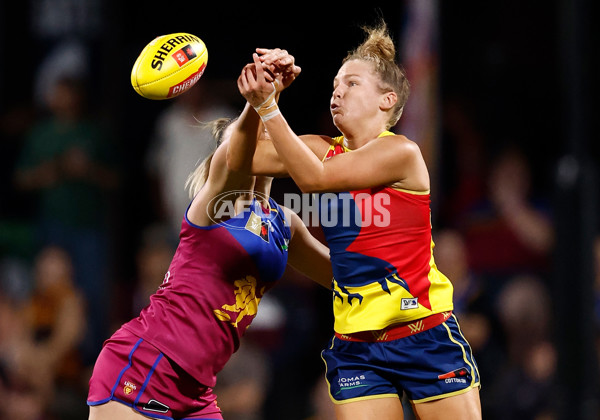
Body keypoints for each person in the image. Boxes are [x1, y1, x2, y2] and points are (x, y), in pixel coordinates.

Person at [238, 21, 481, 419]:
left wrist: (269, 108)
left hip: (426, 334)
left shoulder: (402, 153)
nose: (337, 89)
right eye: (335, 83)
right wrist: (261, 97)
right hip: (357, 348)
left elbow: (315, 181)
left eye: (351, 83)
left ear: (387, 100)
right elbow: (238, 157)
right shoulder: (320, 150)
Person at [87, 50, 333, 420]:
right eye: (244, 132)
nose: (256, 135)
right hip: (145, 365)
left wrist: (402, 263)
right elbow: (239, 154)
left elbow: (338, 275)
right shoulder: (217, 204)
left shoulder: (284, 223)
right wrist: (263, 99)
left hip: (197, 390)